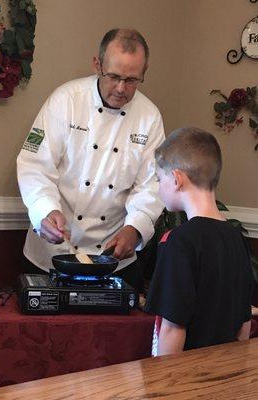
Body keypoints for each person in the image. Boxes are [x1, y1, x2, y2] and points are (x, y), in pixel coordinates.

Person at [17, 28, 165, 289]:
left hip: (113, 259)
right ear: (97, 64)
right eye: (114, 77)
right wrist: (44, 210)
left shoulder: (149, 117)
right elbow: (34, 165)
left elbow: (152, 185)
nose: (121, 88)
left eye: (132, 80)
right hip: (51, 255)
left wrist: (136, 228)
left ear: (145, 72)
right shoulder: (65, 100)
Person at [145, 127, 253, 355]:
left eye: (158, 179)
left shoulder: (178, 242)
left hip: (185, 381)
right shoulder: (237, 239)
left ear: (176, 179)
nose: (158, 187)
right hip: (225, 373)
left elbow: (173, 328)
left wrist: (165, 387)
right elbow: (244, 324)